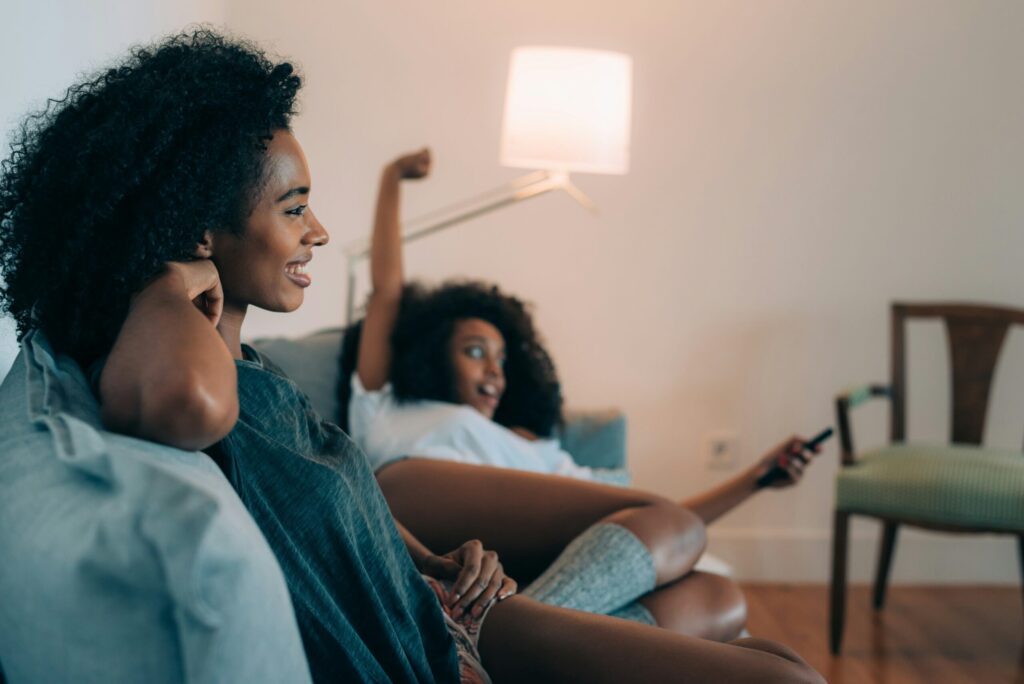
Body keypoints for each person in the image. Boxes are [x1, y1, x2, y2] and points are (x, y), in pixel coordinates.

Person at [0, 29, 824, 683]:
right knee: (782, 678)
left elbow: (333, 501)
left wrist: (436, 558)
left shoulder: (257, 371)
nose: (318, 231)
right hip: (436, 652)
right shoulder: (178, 367)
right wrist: (167, 282)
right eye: (295, 207)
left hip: (437, 610)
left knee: (762, 644)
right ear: (195, 229)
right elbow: (187, 404)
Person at [339, 148, 824, 624]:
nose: (494, 370)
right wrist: (392, 176)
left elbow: (665, 524)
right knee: (677, 528)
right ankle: (505, 640)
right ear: (430, 354)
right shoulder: (390, 400)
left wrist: (757, 479)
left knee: (716, 596)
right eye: (474, 351)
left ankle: (510, 643)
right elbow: (388, 290)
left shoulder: (531, 448)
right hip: (411, 498)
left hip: (514, 564)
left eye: (502, 359)